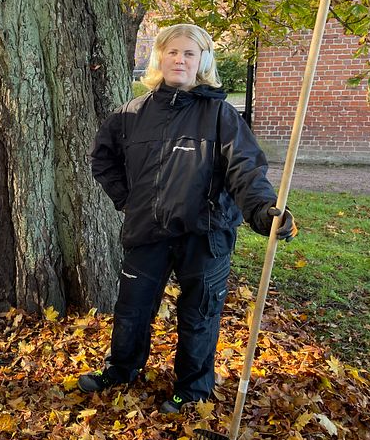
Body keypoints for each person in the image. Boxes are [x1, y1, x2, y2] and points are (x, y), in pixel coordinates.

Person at [78, 24, 297, 413]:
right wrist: (128, 199)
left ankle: (192, 388)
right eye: (173, 52)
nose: (180, 59)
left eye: (190, 54)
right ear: (159, 57)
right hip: (147, 231)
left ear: (202, 62)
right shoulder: (131, 115)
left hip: (205, 233)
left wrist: (264, 211)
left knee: (199, 314)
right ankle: (122, 369)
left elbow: (245, 169)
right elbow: (102, 158)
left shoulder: (221, 115)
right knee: (132, 309)